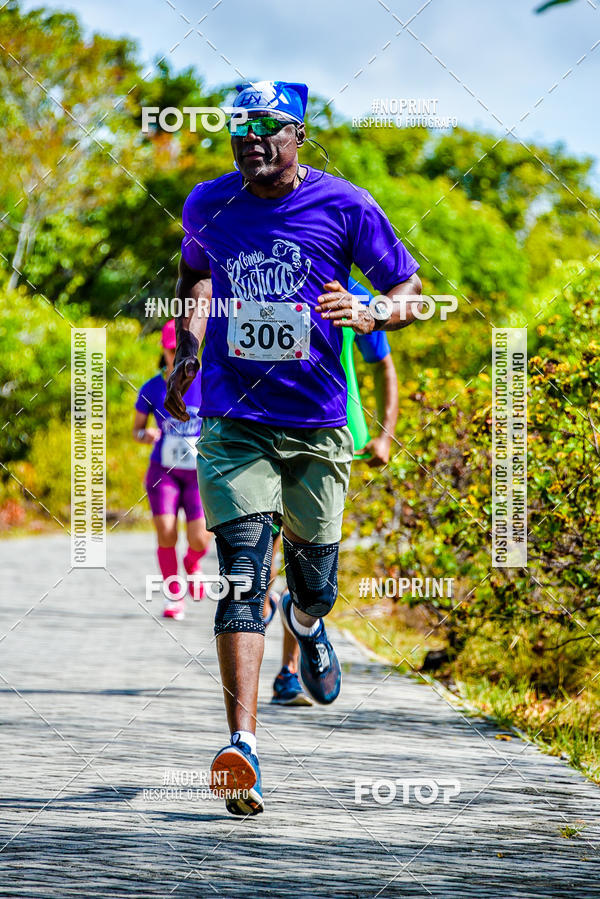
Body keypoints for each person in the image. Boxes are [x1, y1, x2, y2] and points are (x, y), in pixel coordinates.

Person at [165, 80, 423, 816]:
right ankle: (242, 747)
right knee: (244, 573)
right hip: (234, 419)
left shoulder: (347, 205)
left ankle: (308, 625)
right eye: (239, 127)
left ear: (299, 134)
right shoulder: (208, 203)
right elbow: (194, 273)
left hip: (318, 425)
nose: (251, 139)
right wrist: (187, 349)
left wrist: (371, 310)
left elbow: (406, 290)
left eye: (268, 128)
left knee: (314, 579)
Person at [267, 277, 399, 706]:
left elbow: (383, 365)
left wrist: (385, 435)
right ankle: (266, 604)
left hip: (331, 434)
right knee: (264, 543)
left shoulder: (354, 295)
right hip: (259, 430)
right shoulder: (258, 275)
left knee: (303, 554)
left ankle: (290, 670)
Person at [133, 320, 211, 621]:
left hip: (197, 474)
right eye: (170, 351)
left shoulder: (207, 382)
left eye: (180, 351)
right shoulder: (152, 387)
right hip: (164, 472)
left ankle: (192, 563)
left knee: (200, 539)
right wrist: (146, 436)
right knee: (166, 532)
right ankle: (174, 594)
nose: (175, 357)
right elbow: (137, 431)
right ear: (163, 352)